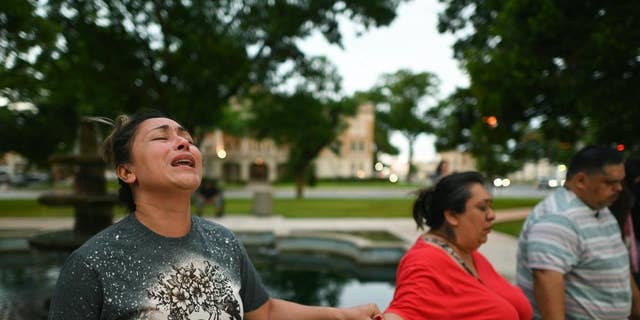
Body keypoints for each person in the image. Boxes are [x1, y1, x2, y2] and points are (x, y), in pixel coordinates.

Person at [49, 110, 381, 320]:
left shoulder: (223, 241)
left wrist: (343, 314)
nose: (183, 143)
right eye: (162, 137)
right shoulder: (92, 264)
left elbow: (263, 312)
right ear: (126, 171)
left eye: (187, 139)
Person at [383, 171, 532, 319]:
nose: (492, 215)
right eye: (482, 208)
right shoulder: (424, 262)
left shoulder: (468, 254)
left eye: (490, 206)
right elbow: (402, 312)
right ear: (452, 216)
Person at [516, 145, 640, 319]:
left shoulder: (600, 209)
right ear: (581, 181)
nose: (619, 188)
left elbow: (620, 267)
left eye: (621, 181)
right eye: (610, 182)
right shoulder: (557, 220)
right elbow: (546, 282)